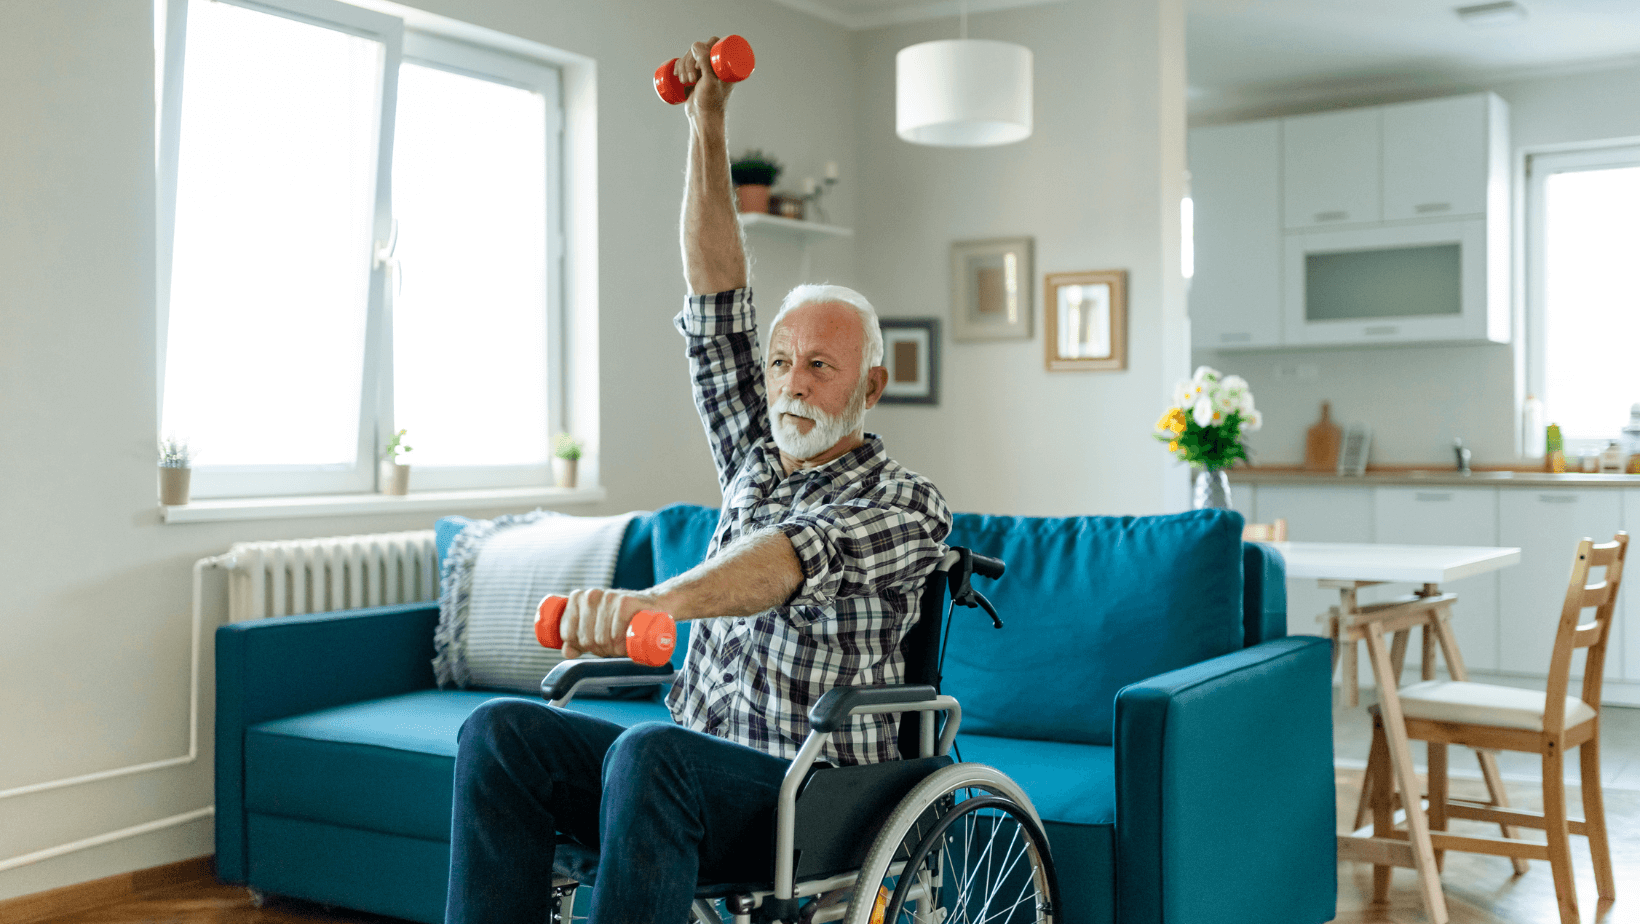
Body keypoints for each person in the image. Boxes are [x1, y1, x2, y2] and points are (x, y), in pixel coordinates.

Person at [443, 37, 951, 924]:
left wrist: (658, 605)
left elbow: (795, 555)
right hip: (687, 777)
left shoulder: (907, 504)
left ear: (871, 386)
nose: (792, 382)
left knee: (652, 753)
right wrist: (706, 120)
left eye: (821, 366)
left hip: (812, 795)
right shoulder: (756, 454)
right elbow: (718, 300)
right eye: (783, 361)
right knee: (499, 733)